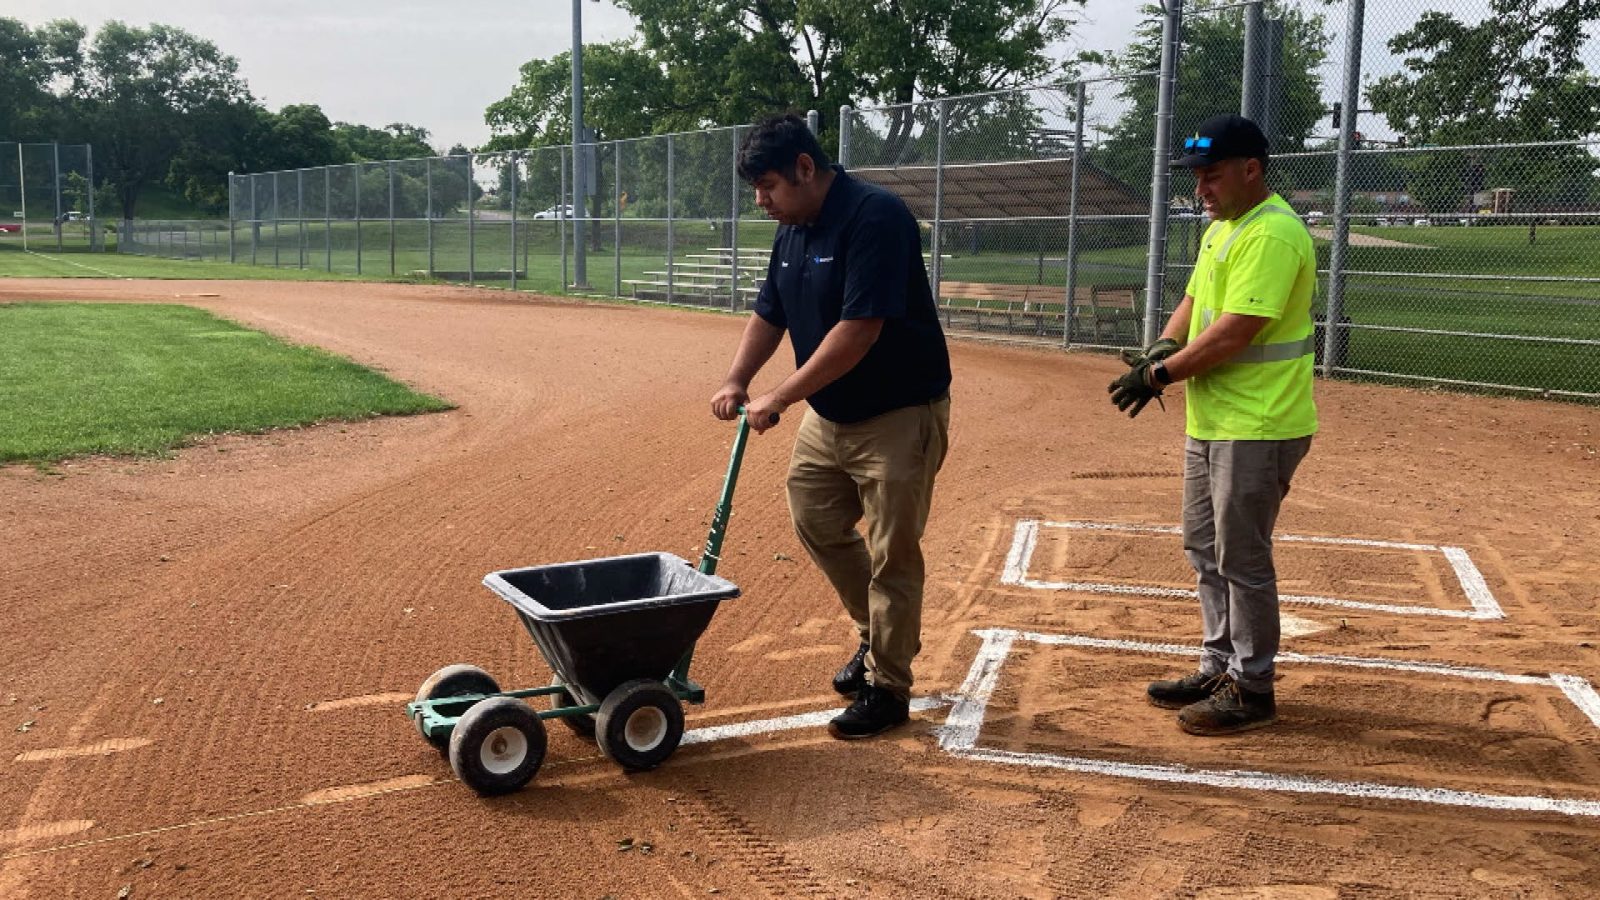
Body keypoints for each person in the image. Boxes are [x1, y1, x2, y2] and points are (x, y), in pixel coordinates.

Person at [711, 113, 952, 740]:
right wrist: (738, 378)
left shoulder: (877, 216)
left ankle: (890, 687)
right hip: (833, 413)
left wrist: (780, 397)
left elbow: (860, 331)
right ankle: (876, 634)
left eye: (768, 187)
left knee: (893, 549)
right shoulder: (791, 229)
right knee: (815, 519)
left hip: (898, 413)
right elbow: (771, 312)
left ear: (806, 168)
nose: (761, 202)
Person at [1108, 113, 1317, 736]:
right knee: (1205, 548)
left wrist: (1160, 376)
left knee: (1242, 558)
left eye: (1212, 175)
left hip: (1260, 422)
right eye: (1196, 176)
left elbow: (1237, 330)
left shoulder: (1271, 234)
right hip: (1217, 420)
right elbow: (1196, 304)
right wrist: (1161, 347)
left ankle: (1253, 689)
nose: (1200, 188)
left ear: (1252, 170)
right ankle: (1218, 663)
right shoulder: (1224, 229)